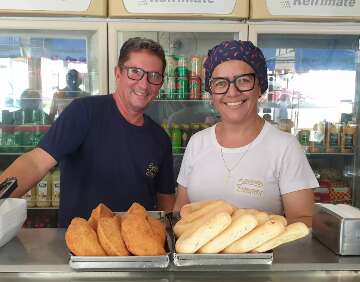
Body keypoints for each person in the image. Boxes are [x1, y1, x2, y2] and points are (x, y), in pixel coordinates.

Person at [0, 37, 176, 227]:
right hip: (79, 246)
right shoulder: (84, 112)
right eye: (135, 72)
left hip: (135, 249)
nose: (144, 84)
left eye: (154, 76)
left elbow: (165, 200)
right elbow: (35, 163)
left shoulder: (160, 139)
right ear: (118, 73)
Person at [173, 40, 318, 226]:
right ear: (212, 92)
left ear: (260, 86)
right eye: (220, 83)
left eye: (243, 80)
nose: (232, 92)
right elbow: (181, 211)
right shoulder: (197, 142)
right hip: (196, 255)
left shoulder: (285, 147)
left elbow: (302, 221)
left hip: (266, 255)